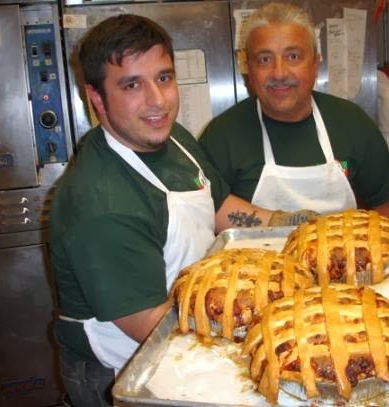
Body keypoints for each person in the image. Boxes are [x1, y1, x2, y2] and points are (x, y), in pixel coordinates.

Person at [48, 14, 313, 407]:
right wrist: (279, 333)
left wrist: (291, 226)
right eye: (132, 85)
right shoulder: (100, 206)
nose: (157, 100)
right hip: (128, 367)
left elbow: (218, 204)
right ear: (97, 98)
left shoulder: (172, 138)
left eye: (164, 78)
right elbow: (154, 327)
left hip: (191, 323)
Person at [199, 2, 389, 220]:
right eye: (264, 59)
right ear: (249, 69)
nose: (279, 73)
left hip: (338, 252)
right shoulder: (222, 136)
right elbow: (203, 215)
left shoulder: (352, 124)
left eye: (293, 57)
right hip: (256, 254)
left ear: (315, 64)